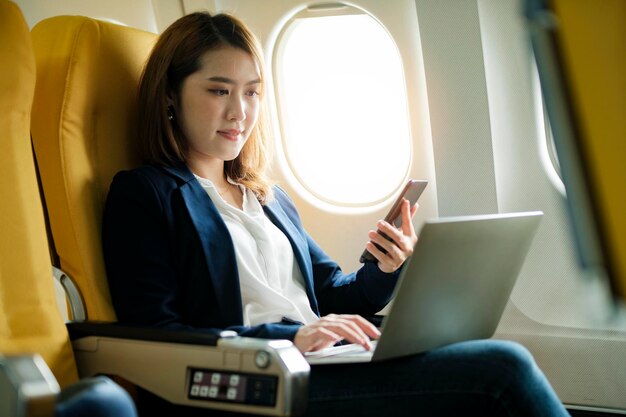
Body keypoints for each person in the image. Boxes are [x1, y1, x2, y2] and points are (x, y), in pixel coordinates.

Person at [102, 11, 570, 417]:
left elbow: (332, 295)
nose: (240, 112)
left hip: (316, 361)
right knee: (502, 369)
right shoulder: (146, 194)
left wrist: (387, 266)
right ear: (169, 96)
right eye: (219, 91)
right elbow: (158, 336)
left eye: (252, 93)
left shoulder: (268, 198)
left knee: (475, 351)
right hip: (256, 386)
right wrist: (290, 337)